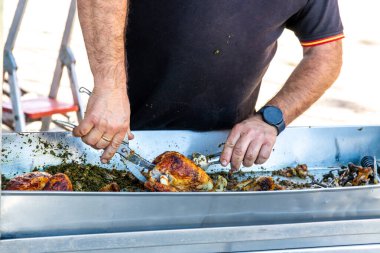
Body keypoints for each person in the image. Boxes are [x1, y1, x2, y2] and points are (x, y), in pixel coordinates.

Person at [74, 0, 343, 171]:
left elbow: (326, 54)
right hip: (122, 141)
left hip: (223, 156)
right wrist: (109, 87)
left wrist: (272, 119)